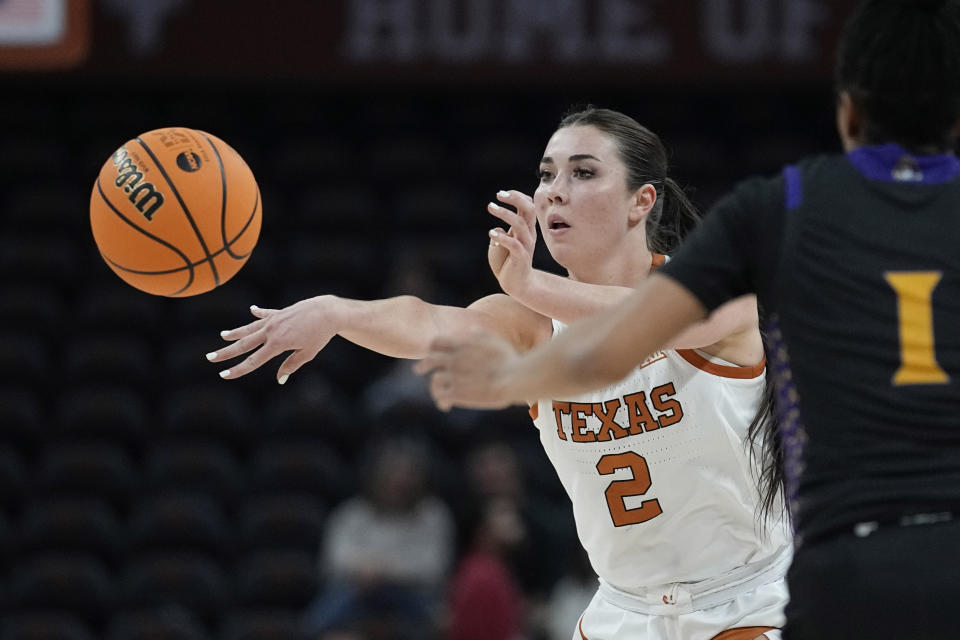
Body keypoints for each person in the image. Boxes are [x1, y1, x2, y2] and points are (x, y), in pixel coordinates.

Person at [417, 2, 960, 639]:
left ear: (847, 115)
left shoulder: (782, 210)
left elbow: (658, 321)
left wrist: (527, 302)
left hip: (802, 568)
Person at [207, 106, 791, 640]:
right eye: (547, 174)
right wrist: (334, 311)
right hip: (626, 612)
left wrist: (532, 283)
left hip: (747, 602)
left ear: (642, 201)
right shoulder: (531, 323)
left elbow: (656, 318)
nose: (555, 192)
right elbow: (424, 322)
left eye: (583, 173)